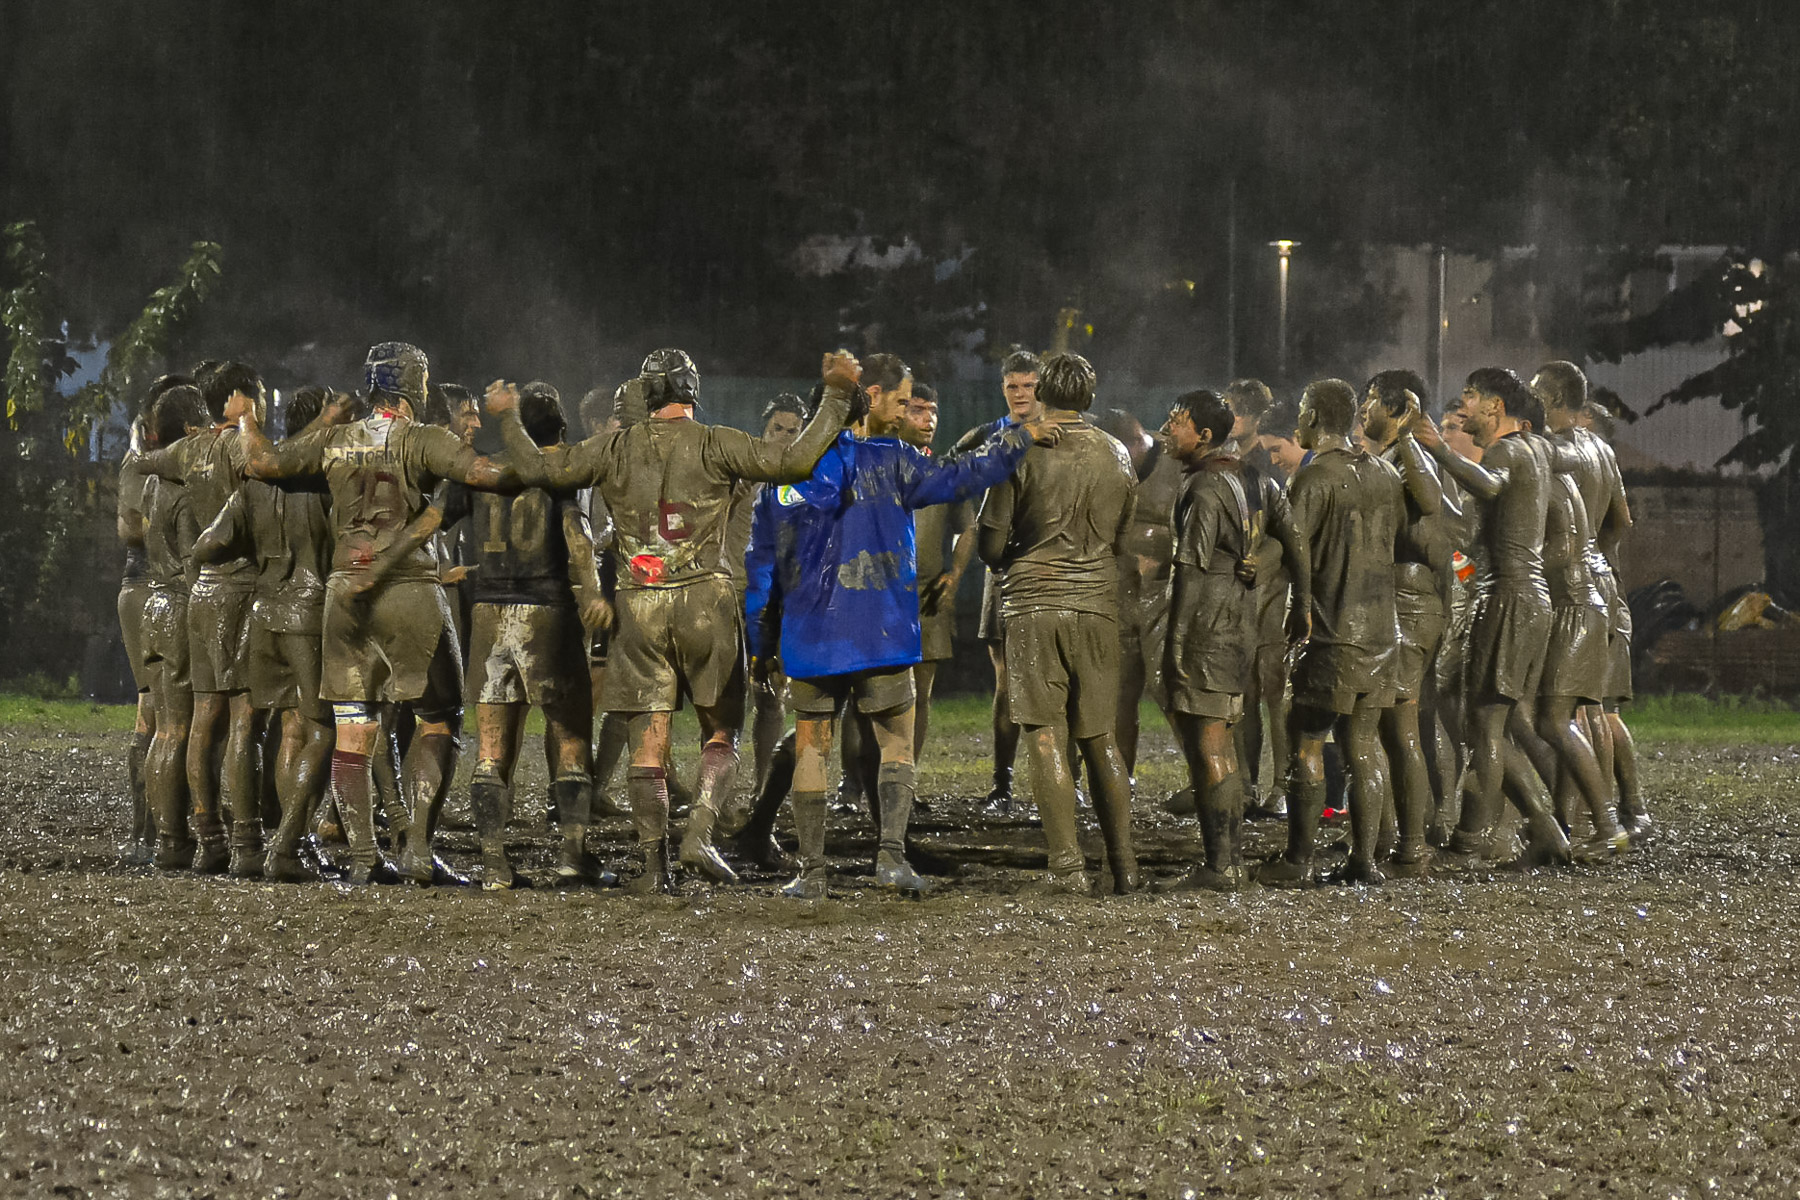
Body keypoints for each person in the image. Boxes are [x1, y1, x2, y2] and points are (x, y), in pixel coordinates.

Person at [495, 348, 851, 894]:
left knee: (649, 741)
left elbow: (541, 468)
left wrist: (506, 418)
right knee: (722, 731)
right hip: (705, 597)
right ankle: (701, 830)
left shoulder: (612, 447)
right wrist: (836, 396)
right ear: (691, 391)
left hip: (639, 601)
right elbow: (795, 462)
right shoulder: (716, 441)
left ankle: (654, 867)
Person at [748, 352, 1057, 898]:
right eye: (899, 399)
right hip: (883, 629)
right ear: (870, 397)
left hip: (812, 633)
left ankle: (813, 874)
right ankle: (890, 859)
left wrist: (760, 637)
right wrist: (1018, 436)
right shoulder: (894, 459)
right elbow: (964, 476)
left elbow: (764, 559)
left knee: (812, 746)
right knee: (896, 743)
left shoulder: (786, 475)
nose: (905, 409)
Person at [239, 342, 519, 885]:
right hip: (410, 587)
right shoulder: (423, 438)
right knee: (439, 718)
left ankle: (366, 860)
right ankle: (415, 846)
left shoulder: (336, 439)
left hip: (345, 591)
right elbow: (486, 475)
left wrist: (247, 421)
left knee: (353, 729)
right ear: (414, 385)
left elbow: (263, 462)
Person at [439, 382, 616, 889]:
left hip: (490, 612)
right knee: (570, 735)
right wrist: (593, 594)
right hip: (547, 614)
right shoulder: (559, 473)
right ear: (559, 429)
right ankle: (572, 855)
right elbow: (577, 540)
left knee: (492, 746)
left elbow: (433, 518)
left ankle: (494, 862)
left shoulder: (482, 471)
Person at [977, 352, 1138, 896]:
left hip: (1033, 604)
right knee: (1100, 739)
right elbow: (1122, 539)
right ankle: (1124, 865)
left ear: (1042, 392)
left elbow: (991, 545)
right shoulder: (1117, 453)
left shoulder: (1021, 449)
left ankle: (1068, 869)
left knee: (1046, 737)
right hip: (1097, 604)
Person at [1412, 368, 1573, 868]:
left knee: (1484, 729)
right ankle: (1544, 830)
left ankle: (1473, 839)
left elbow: (1490, 485)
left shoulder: (1505, 453)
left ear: (1496, 407)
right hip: (1523, 598)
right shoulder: (1537, 449)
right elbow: (1471, 534)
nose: (1463, 411)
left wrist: (1437, 450)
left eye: (1470, 399)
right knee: (1486, 722)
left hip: (1505, 597)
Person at [191, 385, 346, 880]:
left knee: (271, 730)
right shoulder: (327, 480)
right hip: (310, 613)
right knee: (322, 729)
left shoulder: (254, 482)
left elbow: (208, 543)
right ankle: (290, 844)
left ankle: (249, 847)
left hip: (263, 612)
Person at [1259, 379, 1405, 887]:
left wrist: (1249, 569)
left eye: (1301, 410)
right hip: (1383, 633)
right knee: (1364, 744)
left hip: (1331, 633)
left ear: (1316, 416)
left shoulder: (1314, 478)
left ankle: (1299, 859)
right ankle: (1365, 861)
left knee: (1307, 741)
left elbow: (1290, 549)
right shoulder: (1386, 474)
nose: (1297, 420)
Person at [134, 362, 268, 874]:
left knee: (177, 728)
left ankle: (180, 841)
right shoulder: (222, 453)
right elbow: (202, 546)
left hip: (161, 603)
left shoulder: (171, 465)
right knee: (237, 722)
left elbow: (143, 462)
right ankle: (242, 842)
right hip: (211, 597)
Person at [1155, 389, 1291, 891]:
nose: (1168, 428)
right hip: (1241, 622)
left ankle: (1223, 866)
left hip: (1207, 627)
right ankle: (1225, 861)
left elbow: (1189, 570)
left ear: (1205, 436)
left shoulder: (1205, 488)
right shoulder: (1258, 478)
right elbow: (1291, 540)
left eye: (1177, 420)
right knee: (1223, 742)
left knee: (1211, 744)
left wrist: (1174, 645)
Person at [1533, 361, 1646, 840]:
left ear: (1556, 399)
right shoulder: (1601, 448)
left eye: (1536, 393)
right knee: (1593, 707)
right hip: (1602, 580)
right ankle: (1585, 818)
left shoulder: (1554, 453)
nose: (1528, 400)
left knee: (1560, 712)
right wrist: (1602, 555)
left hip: (1569, 586)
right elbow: (1621, 521)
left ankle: (1585, 820)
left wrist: (1573, 552)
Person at [1360, 371, 1454, 873]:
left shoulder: (1408, 453)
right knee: (1388, 728)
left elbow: (1432, 500)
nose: (1362, 409)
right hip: (1393, 598)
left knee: (1402, 728)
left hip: (1410, 603)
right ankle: (1391, 834)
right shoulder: (1388, 456)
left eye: (1371, 400)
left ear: (1396, 410)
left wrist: (1408, 435)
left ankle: (1412, 845)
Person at [956, 349, 1043, 813]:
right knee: (1006, 680)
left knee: (1055, 680)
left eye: (1028, 385)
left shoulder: (1057, 434)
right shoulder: (989, 435)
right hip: (1002, 573)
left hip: (1046, 569)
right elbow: (951, 474)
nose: (1020, 394)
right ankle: (1003, 782)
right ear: (1003, 388)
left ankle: (1064, 779)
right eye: (1013, 385)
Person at [140, 385, 208, 870]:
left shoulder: (151, 484)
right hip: (179, 605)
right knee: (180, 730)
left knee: (165, 729)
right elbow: (190, 562)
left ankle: (165, 835)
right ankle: (174, 838)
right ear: (188, 430)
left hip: (152, 607)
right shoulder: (184, 489)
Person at [897, 382, 973, 767]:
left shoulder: (945, 471)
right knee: (871, 694)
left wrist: (955, 573)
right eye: (917, 410)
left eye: (933, 410)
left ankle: (904, 780)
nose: (928, 419)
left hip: (927, 595)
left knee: (920, 694)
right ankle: (855, 784)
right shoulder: (877, 464)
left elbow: (967, 526)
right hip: (878, 593)